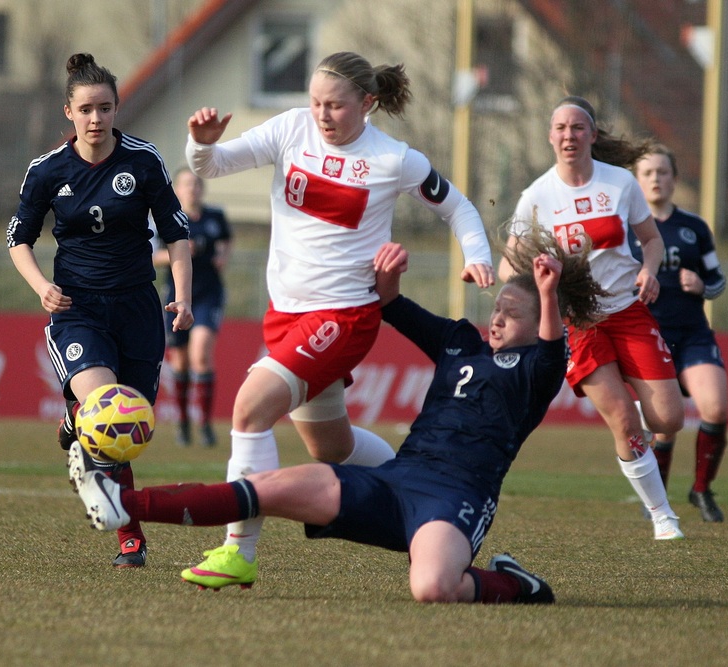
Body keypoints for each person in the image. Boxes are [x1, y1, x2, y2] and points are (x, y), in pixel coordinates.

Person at [68, 228, 605, 602]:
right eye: (497, 309)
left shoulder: (537, 368)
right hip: (397, 479)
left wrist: (550, 292)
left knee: (433, 588)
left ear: (540, 322)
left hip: (456, 497)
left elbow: (554, 347)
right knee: (270, 488)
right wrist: (387, 276)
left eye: (513, 314)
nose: (497, 319)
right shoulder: (461, 341)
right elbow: (395, 308)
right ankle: (122, 502)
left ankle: (515, 585)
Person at [179, 51, 495, 587]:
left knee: (249, 409)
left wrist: (478, 256)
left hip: (344, 316)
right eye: (317, 102)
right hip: (285, 315)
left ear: (367, 103)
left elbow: (459, 207)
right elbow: (211, 166)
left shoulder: (394, 159)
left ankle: (239, 552)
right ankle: (412, 486)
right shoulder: (290, 129)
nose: (323, 115)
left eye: (336, 105)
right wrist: (201, 143)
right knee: (332, 449)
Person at [7, 53, 194, 568]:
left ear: (116, 109)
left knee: (132, 428)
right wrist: (42, 286)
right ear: (69, 111)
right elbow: (17, 239)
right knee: (109, 414)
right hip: (78, 310)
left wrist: (183, 295)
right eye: (86, 109)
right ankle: (129, 536)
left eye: (105, 108)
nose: (96, 119)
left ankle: (73, 422)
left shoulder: (143, 160)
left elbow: (177, 234)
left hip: (138, 308)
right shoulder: (46, 170)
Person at [498, 95, 686, 540]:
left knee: (668, 419)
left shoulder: (620, 182)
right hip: (578, 322)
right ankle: (663, 516)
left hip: (628, 310)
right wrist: (536, 271)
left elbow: (651, 241)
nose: (569, 135)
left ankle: (637, 406)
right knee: (622, 418)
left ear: (593, 135)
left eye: (578, 127)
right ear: (550, 136)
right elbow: (508, 265)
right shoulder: (537, 196)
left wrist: (649, 270)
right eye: (560, 128)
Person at [629, 144, 728, 522]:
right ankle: (657, 502)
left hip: (692, 336)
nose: (656, 179)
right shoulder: (625, 229)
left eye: (663, 172)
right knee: (664, 426)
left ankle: (701, 490)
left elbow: (718, 282)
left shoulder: (694, 228)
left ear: (674, 178)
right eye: (648, 173)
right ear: (636, 182)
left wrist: (702, 285)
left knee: (716, 408)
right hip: (649, 339)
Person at [152, 167, 232, 448]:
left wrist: (222, 255)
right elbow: (152, 257)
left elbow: (225, 243)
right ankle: (183, 422)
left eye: (197, 184)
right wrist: (181, 251)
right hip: (176, 296)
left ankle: (206, 425)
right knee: (181, 363)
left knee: (201, 355)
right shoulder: (168, 219)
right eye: (187, 184)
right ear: (177, 190)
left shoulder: (215, 217)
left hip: (208, 294)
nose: (193, 189)